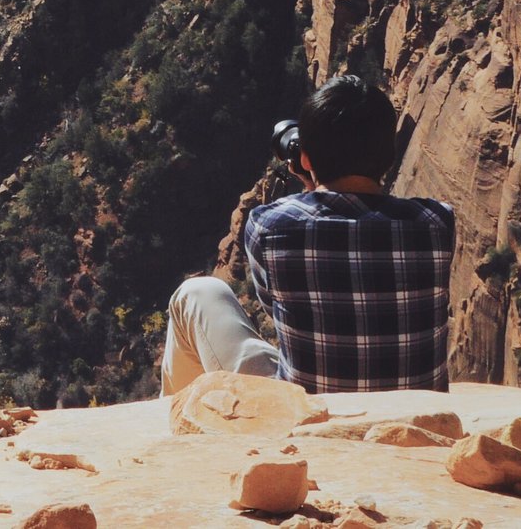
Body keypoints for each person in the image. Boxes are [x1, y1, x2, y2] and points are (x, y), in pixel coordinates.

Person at [161, 75, 456, 394]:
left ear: (303, 159)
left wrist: (314, 184)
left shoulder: (270, 224)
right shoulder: (436, 222)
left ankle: (170, 430)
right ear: (389, 154)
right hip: (418, 420)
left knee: (197, 293)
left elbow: (278, 306)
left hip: (307, 418)